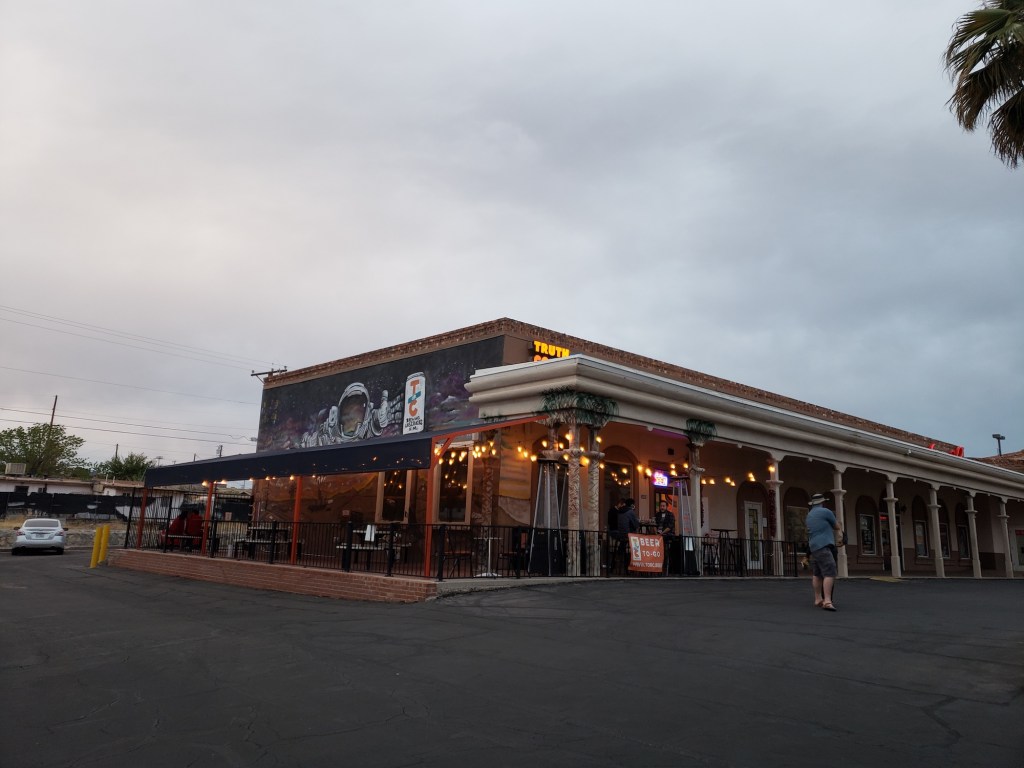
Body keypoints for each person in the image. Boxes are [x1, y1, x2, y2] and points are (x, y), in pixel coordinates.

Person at [805, 493, 844, 611]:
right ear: (822, 502)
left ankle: (818, 598)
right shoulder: (826, 512)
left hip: (814, 547)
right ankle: (827, 601)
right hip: (824, 545)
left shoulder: (809, 515)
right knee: (830, 571)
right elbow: (836, 526)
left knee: (817, 574)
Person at [654, 500, 678, 574]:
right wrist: (656, 533)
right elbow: (654, 524)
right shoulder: (657, 514)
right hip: (659, 535)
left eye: (663, 506)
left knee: (666, 551)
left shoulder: (670, 515)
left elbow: (670, 527)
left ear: (666, 507)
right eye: (661, 506)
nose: (662, 507)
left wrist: (661, 533)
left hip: (668, 535)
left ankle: (666, 567)